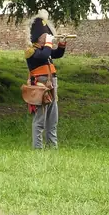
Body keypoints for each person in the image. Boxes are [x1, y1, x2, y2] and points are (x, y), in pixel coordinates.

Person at [24, 9, 68, 149]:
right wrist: (49, 43)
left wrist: (61, 44)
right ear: (38, 37)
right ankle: (38, 148)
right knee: (40, 120)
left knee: (52, 119)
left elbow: (56, 54)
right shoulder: (32, 51)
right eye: (45, 35)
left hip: (52, 85)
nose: (48, 37)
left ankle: (52, 147)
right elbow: (43, 55)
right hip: (40, 86)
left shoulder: (45, 50)